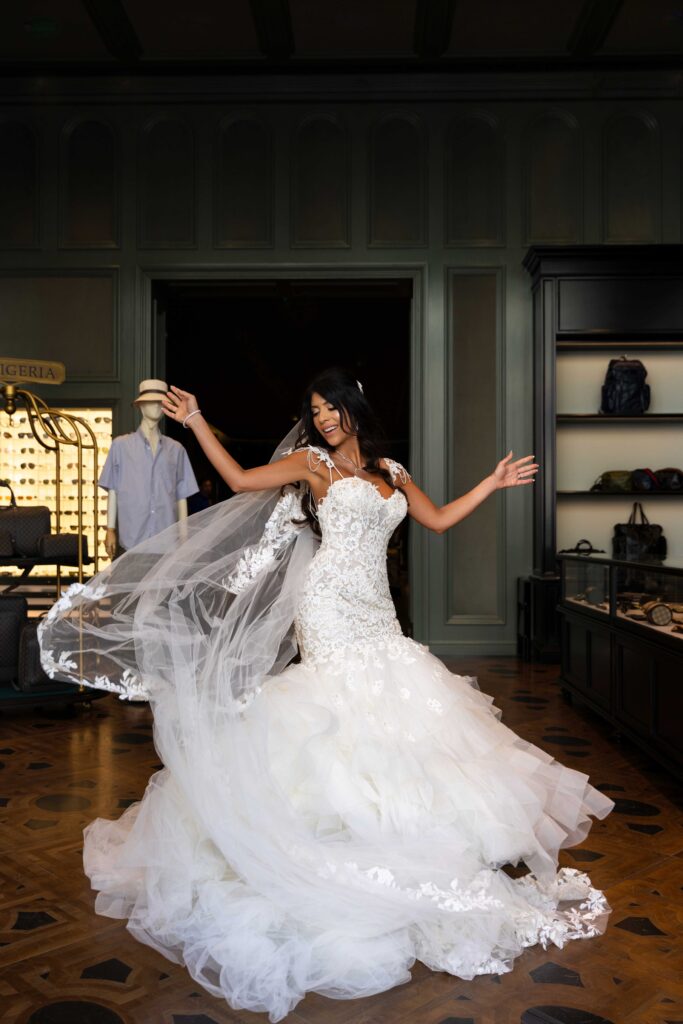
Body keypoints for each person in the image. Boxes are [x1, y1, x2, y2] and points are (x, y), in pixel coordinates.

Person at [38, 368, 613, 1023]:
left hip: (375, 607)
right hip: (328, 603)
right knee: (337, 704)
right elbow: (238, 482)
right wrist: (196, 422)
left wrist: (491, 482)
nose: (324, 419)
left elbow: (439, 521)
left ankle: (396, 828)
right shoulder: (309, 463)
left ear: (353, 408)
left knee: (398, 700)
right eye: (314, 411)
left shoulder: (391, 470)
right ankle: (333, 832)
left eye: (331, 408)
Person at [99, 379, 198, 560]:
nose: (158, 406)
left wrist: (184, 539)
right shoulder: (120, 446)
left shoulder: (176, 449)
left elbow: (181, 497)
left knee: (164, 589)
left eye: (162, 402)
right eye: (152, 401)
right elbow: (113, 490)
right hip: (131, 542)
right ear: (141, 406)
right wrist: (110, 530)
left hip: (167, 546)